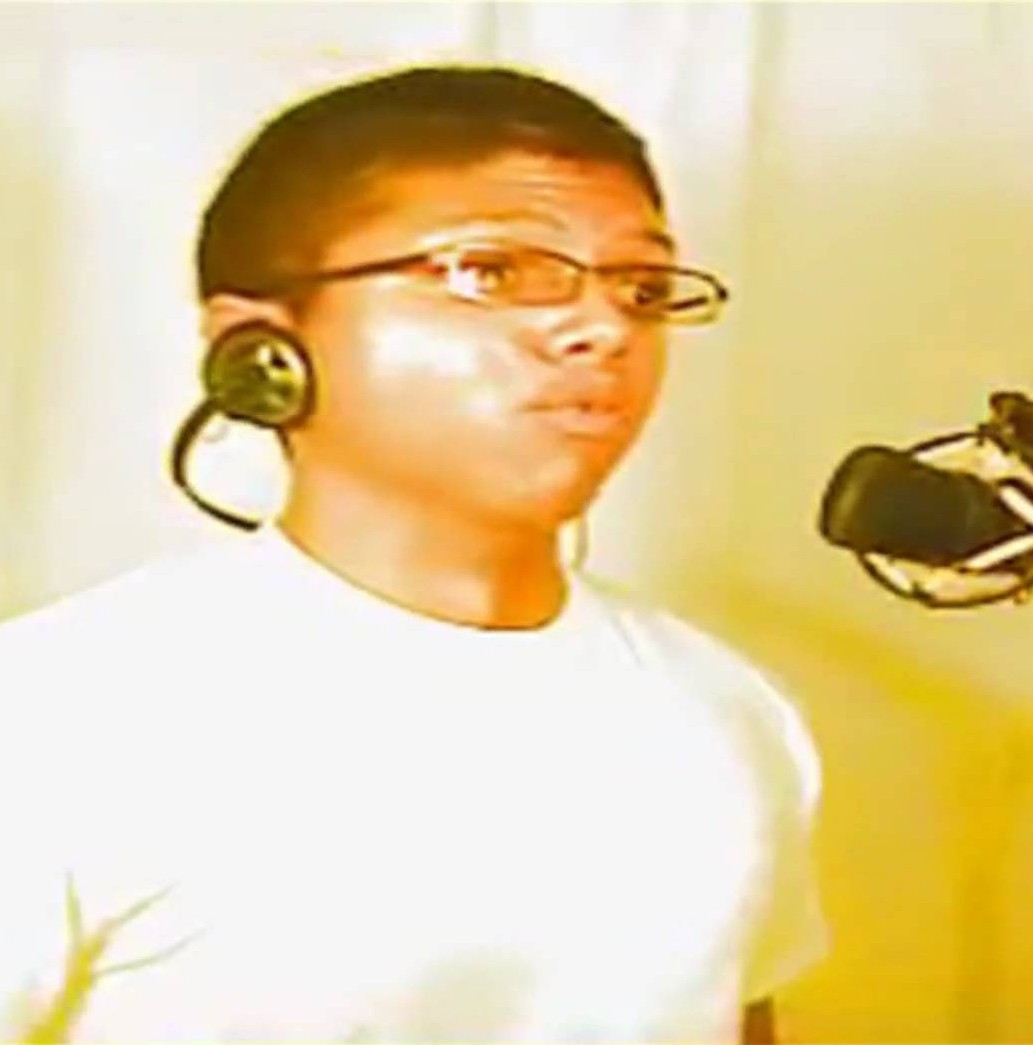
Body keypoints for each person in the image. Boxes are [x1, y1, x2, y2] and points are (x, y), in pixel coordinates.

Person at [0, 65, 827, 1044]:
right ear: (260, 348)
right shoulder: (58, 715)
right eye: (491, 270)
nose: (600, 328)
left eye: (640, 288)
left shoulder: (725, 707)